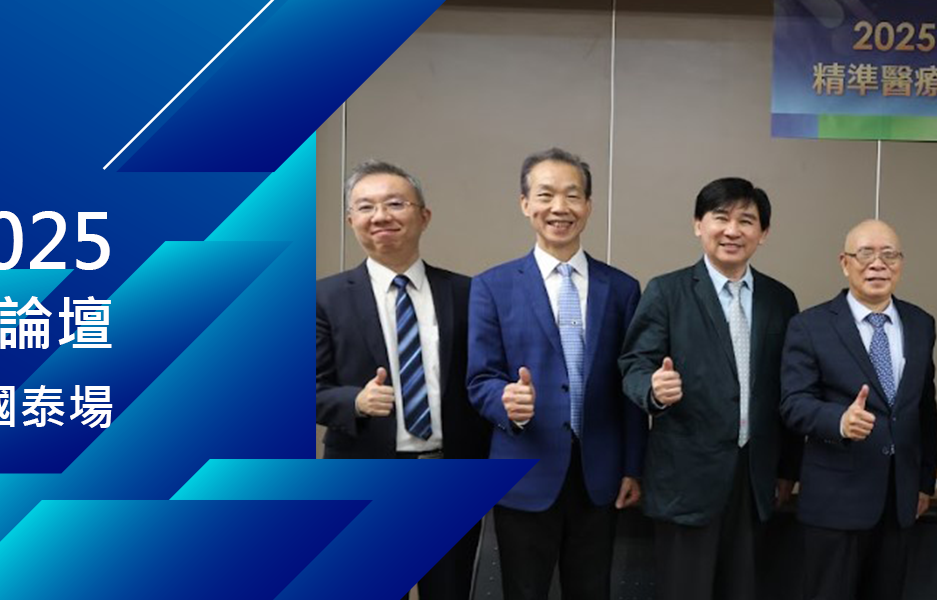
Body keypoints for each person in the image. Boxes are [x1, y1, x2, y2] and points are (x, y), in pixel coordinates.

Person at [466, 148, 645, 600]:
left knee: (593, 590)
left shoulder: (622, 288)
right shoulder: (491, 286)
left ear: (588, 205)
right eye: (545, 195)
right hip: (523, 472)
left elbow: (629, 385)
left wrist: (633, 466)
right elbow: (480, 378)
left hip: (599, 476)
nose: (559, 207)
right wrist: (505, 400)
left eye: (572, 195)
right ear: (525, 203)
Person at [619, 177, 802, 600]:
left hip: (754, 480)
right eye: (721, 218)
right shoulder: (667, 291)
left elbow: (789, 386)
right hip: (686, 480)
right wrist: (653, 388)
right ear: (698, 225)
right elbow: (634, 365)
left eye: (746, 221)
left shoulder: (780, 299)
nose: (732, 230)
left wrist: (789, 468)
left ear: (763, 232)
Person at [314, 160, 490, 600]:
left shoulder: (468, 292)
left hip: (448, 474)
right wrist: (355, 401)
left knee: (449, 591)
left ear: (424, 216)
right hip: (362, 475)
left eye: (395, 204)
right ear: (351, 220)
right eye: (365, 207)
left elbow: (485, 379)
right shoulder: (323, 298)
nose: (380, 216)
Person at [780, 219, 937, 600]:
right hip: (835, 501)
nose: (878, 264)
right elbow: (793, 403)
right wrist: (839, 421)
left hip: (898, 501)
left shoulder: (921, 323)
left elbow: (924, 408)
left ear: (901, 263)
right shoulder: (810, 325)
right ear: (844, 262)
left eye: (889, 255)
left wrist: (922, 482)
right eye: (865, 253)